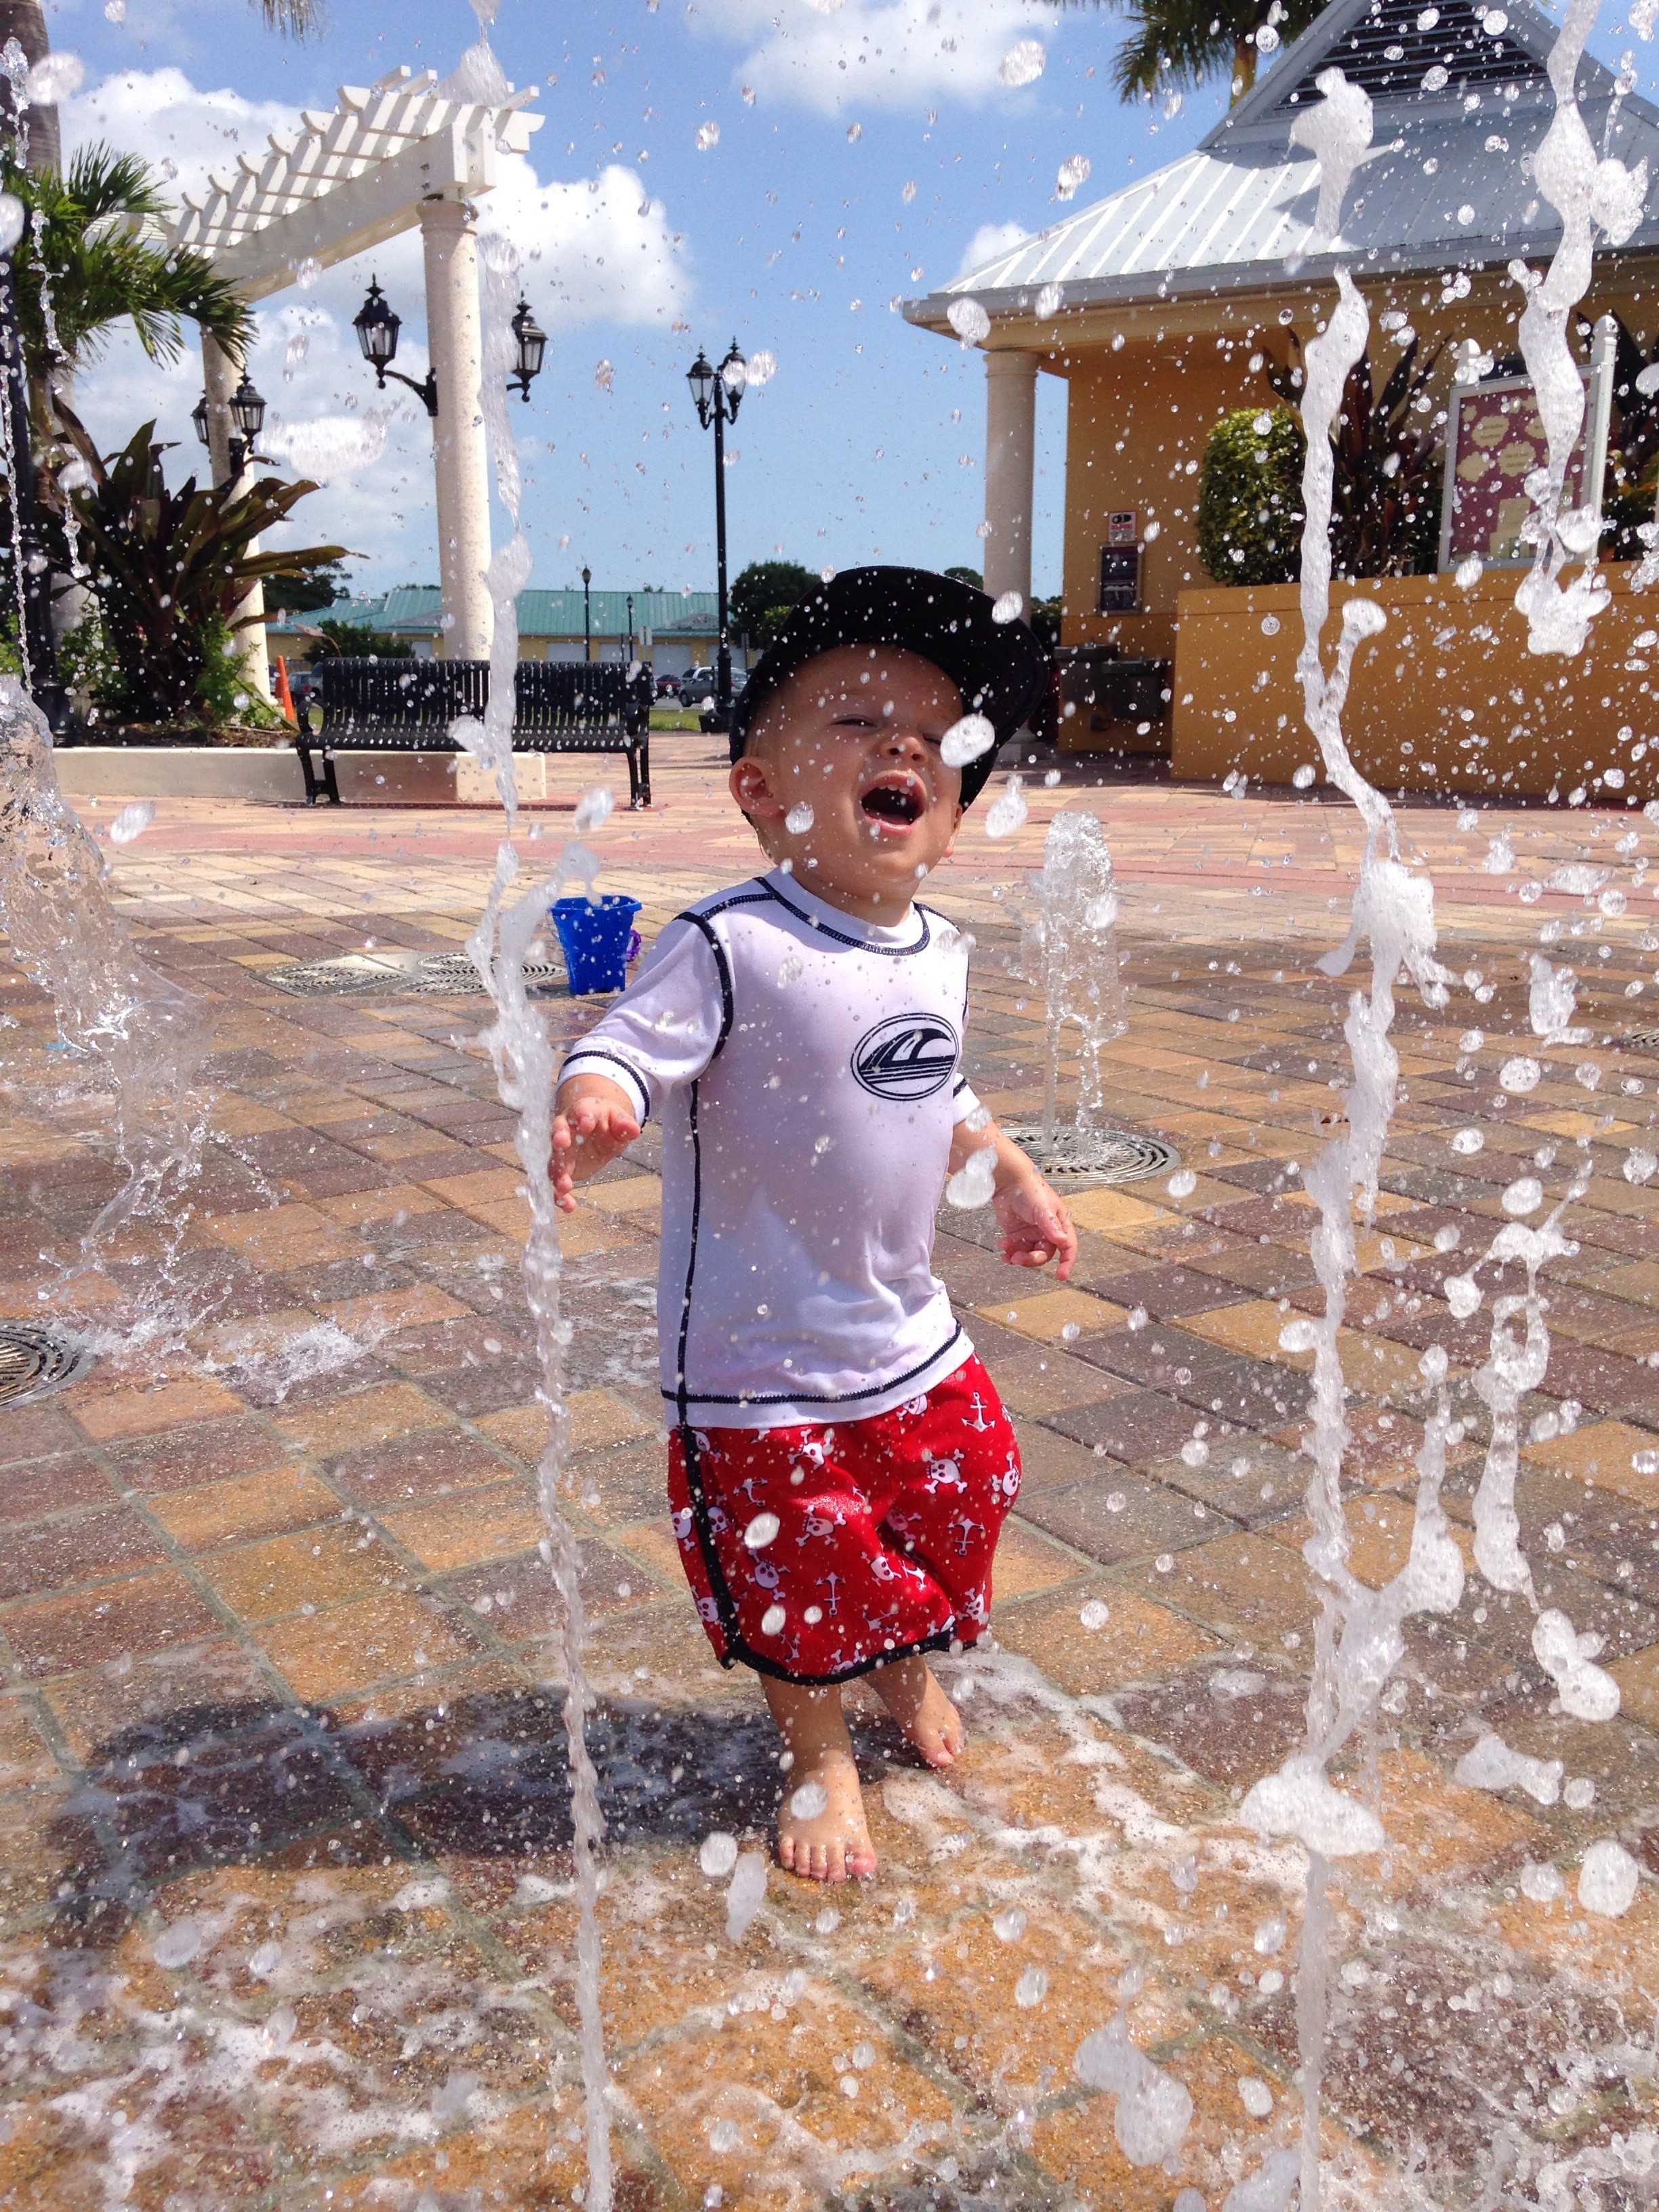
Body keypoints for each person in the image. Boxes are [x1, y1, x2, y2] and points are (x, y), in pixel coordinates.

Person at [550, 568, 1078, 1882]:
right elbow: (628, 1042)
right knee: (801, 1562)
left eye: (936, 737)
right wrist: (602, 1097)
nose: (905, 747)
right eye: (855, 722)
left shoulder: (938, 947)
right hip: (760, 1359)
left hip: (907, 1333)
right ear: (759, 788)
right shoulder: (731, 943)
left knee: (965, 1487)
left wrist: (1008, 1167)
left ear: (950, 820)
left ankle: (901, 1662)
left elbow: (934, 1084)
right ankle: (819, 1753)